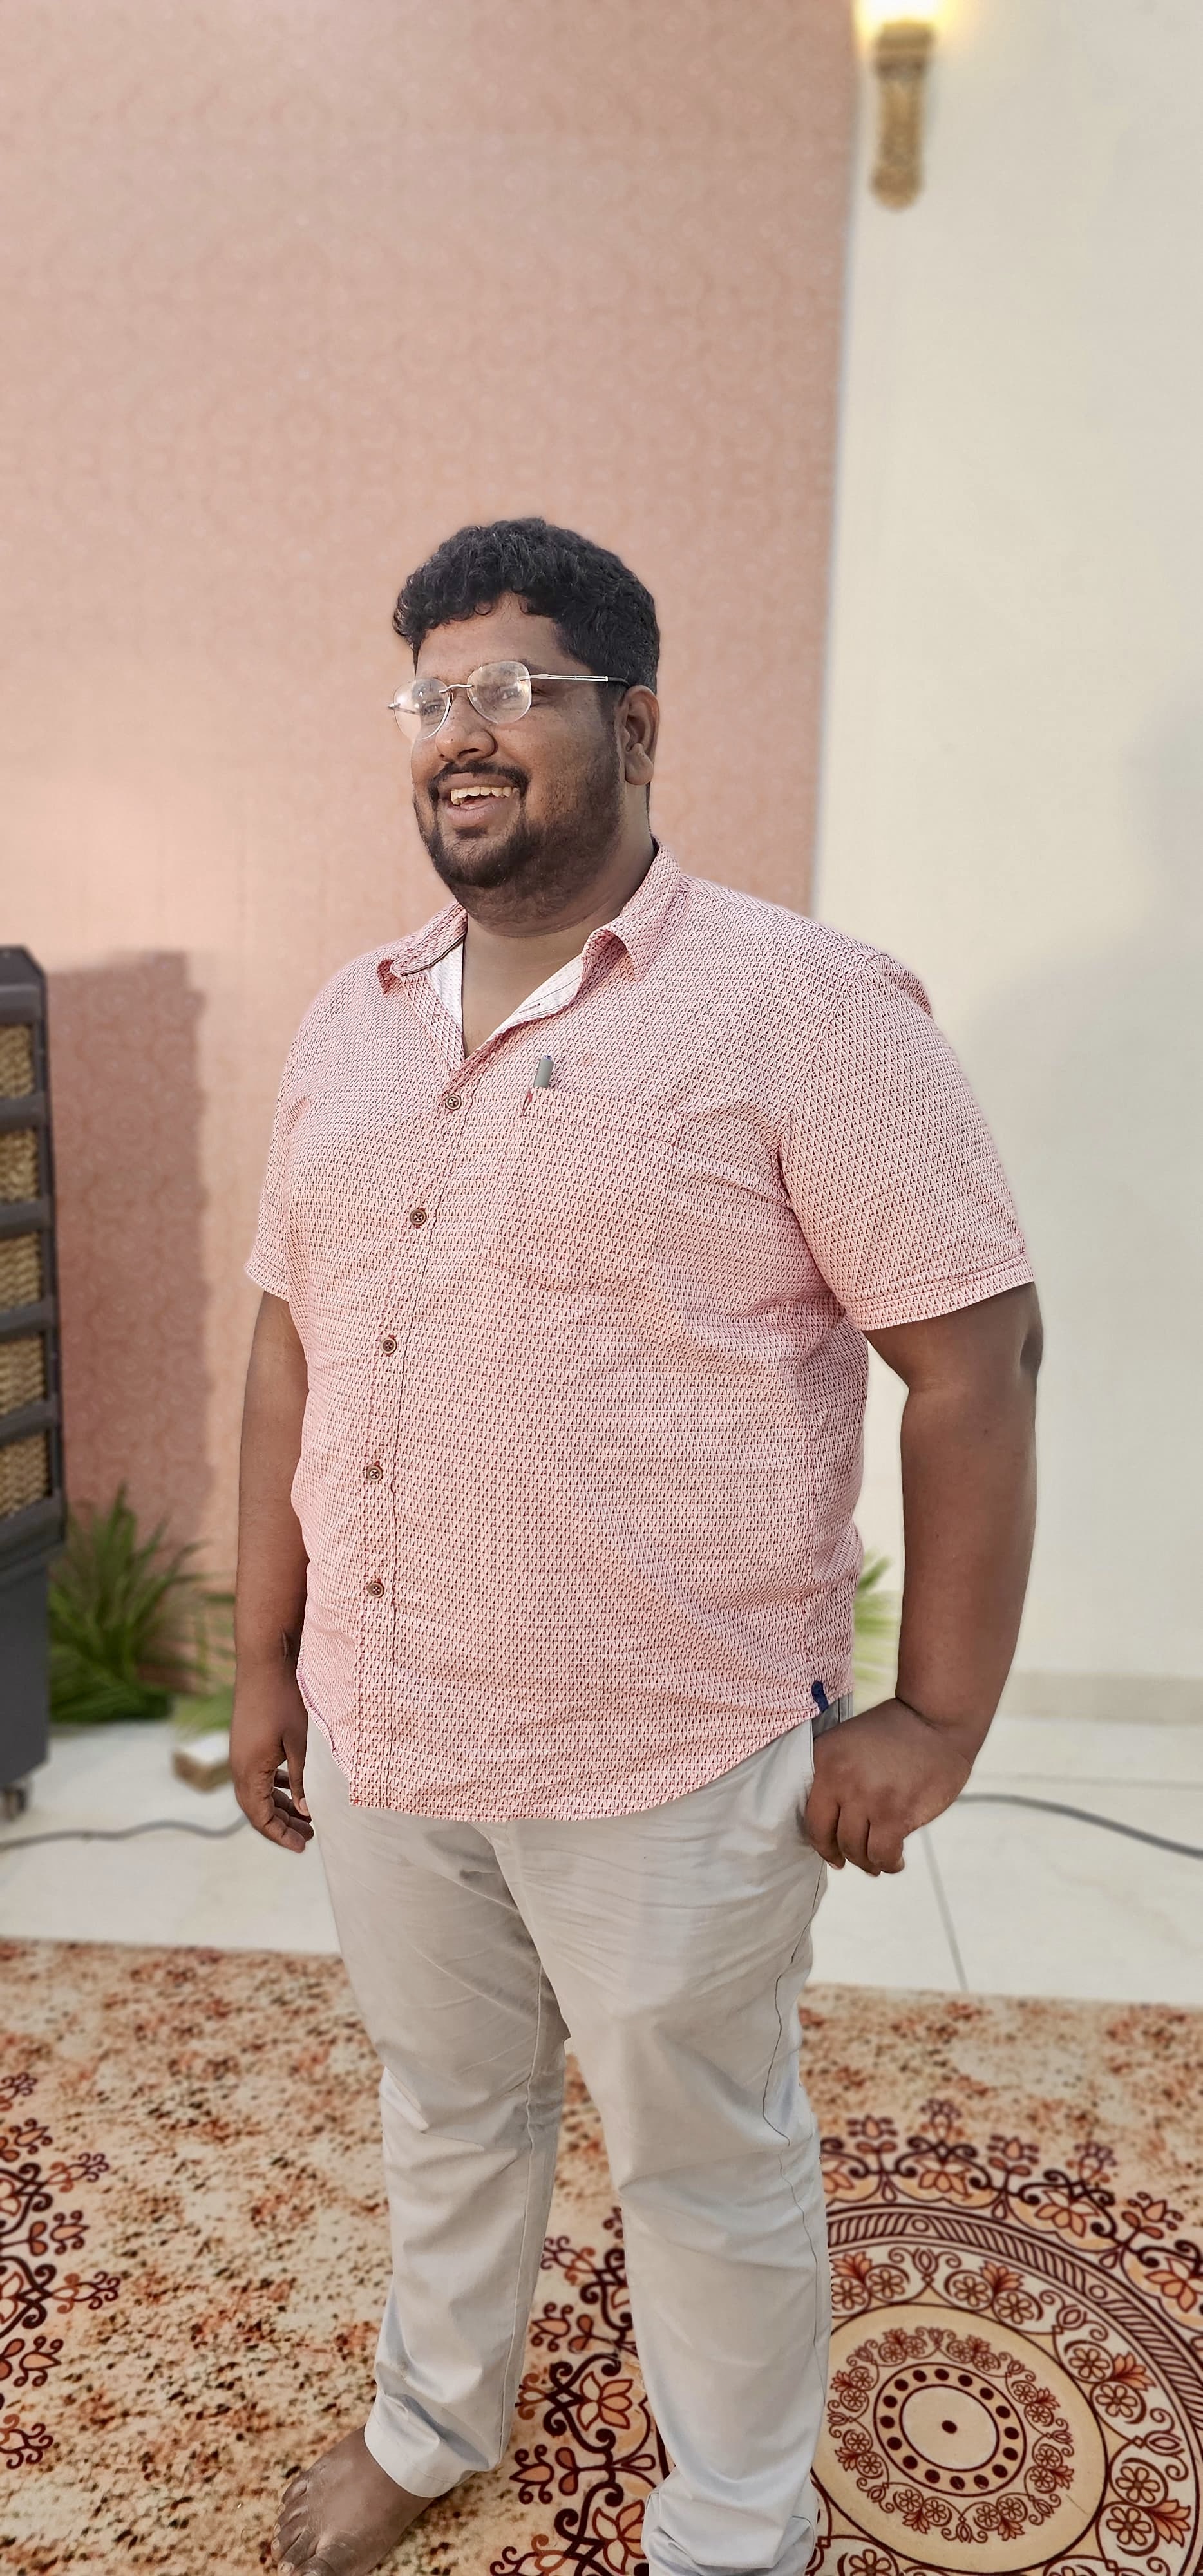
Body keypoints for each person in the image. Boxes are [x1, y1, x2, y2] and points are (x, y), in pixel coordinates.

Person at [232, 516, 1041, 2576]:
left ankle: (734, 2524)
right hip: (392, 1724)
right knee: (446, 2102)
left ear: (637, 721)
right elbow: (289, 1348)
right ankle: (432, 2420)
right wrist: (263, 1661)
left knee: (700, 2157)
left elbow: (974, 1356)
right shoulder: (350, 1016)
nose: (459, 730)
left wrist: (936, 1714)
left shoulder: (805, 1006)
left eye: (512, 687)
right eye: (430, 694)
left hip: (664, 1749)